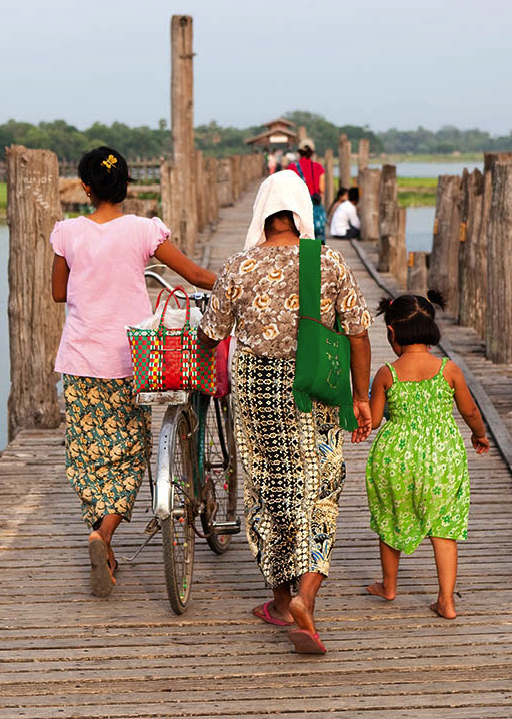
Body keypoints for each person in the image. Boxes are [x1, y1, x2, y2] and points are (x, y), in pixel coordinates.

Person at [198, 172, 372, 654]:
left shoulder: (238, 266)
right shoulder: (329, 262)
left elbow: (212, 334)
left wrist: (199, 352)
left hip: (258, 389)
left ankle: (279, 601)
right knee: (318, 489)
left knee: (269, 489)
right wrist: (360, 396)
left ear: (261, 213)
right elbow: (358, 332)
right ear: (300, 213)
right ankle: (307, 598)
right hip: (315, 386)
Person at [51, 146, 216, 597]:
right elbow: (195, 274)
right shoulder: (144, 230)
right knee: (131, 452)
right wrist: (234, 287)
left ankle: (98, 536)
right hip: (132, 359)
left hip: (81, 363)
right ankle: (103, 537)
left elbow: (57, 292)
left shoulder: (66, 233)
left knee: (88, 457)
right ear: (127, 186)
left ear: (85, 187)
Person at [362, 291, 491, 620]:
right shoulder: (448, 370)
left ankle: (389, 586)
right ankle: (446, 601)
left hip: (395, 457)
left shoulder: (386, 374)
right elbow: (470, 411)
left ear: (391, 332)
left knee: (390, 519)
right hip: (442, 458)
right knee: (444, 527)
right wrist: (479, 435)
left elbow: (374, 421)